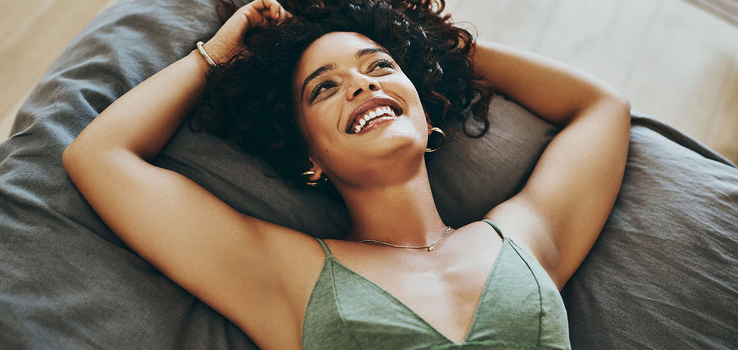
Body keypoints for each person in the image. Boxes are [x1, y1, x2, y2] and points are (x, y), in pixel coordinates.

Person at [62, 0, 630, 348]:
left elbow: (603, 107)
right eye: (324, 87)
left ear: (425, 109)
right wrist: (215, 53)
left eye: (381, 66)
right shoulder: (290, 275)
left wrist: (431, 44)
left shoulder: (524, 235)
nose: (362, 85)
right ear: (310, 158)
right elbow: (99, 157)